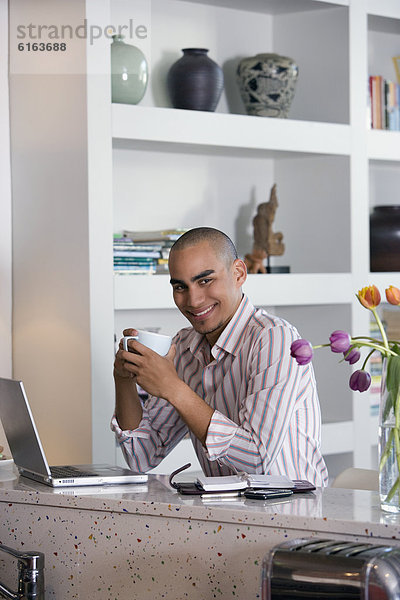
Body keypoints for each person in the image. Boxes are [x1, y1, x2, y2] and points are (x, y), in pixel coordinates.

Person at [111, 227, 328, 486]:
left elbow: (257, 458)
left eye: (205, 281)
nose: (193, 300)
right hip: (224, 516)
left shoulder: (275, 338)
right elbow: (142, 457)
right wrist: (123, 378)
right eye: (180, 286)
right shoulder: (183, 346)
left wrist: (174, 389)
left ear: (238, 273)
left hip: (294, 515)